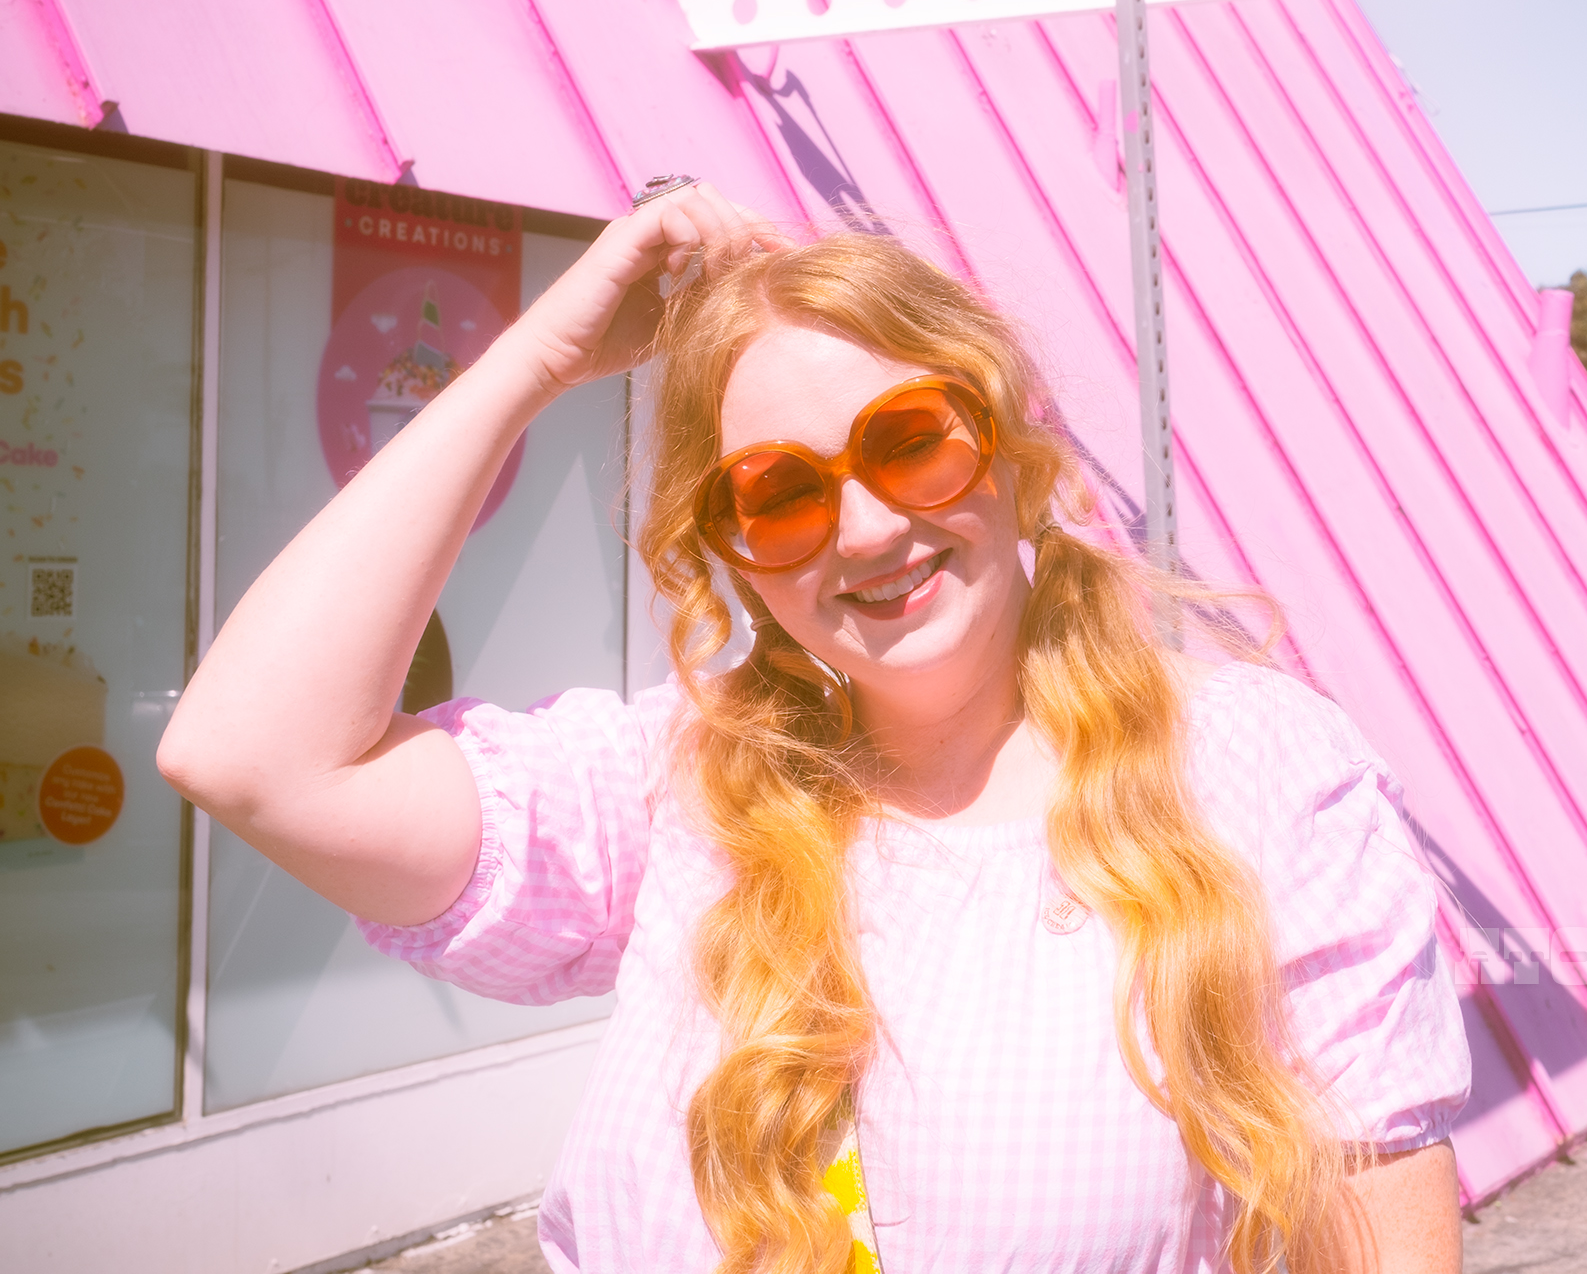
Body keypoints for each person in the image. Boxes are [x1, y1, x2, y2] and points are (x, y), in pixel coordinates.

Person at [160, 181, 1471, 1274]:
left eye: (913, 443)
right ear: (732, 551)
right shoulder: (679, 783)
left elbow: (1371, 1227)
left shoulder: (1251, 771)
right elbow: (249, 757)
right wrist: (534, 361)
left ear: (1010, 449)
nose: (869, 529)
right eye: (780, 495)